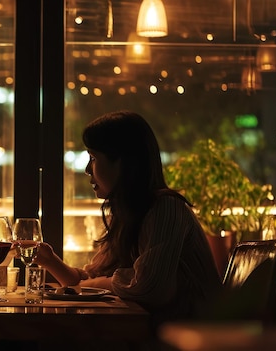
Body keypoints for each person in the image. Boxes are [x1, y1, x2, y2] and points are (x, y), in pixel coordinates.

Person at [35, 111, 222, 327]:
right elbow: (88, 283)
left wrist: (98, 284)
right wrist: (48, 260)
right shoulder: (129, 215)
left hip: (191, 339)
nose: (87, 170)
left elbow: (151, 288)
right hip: (150, 334)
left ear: (123, 162)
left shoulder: (166, 208)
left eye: (93, 158)